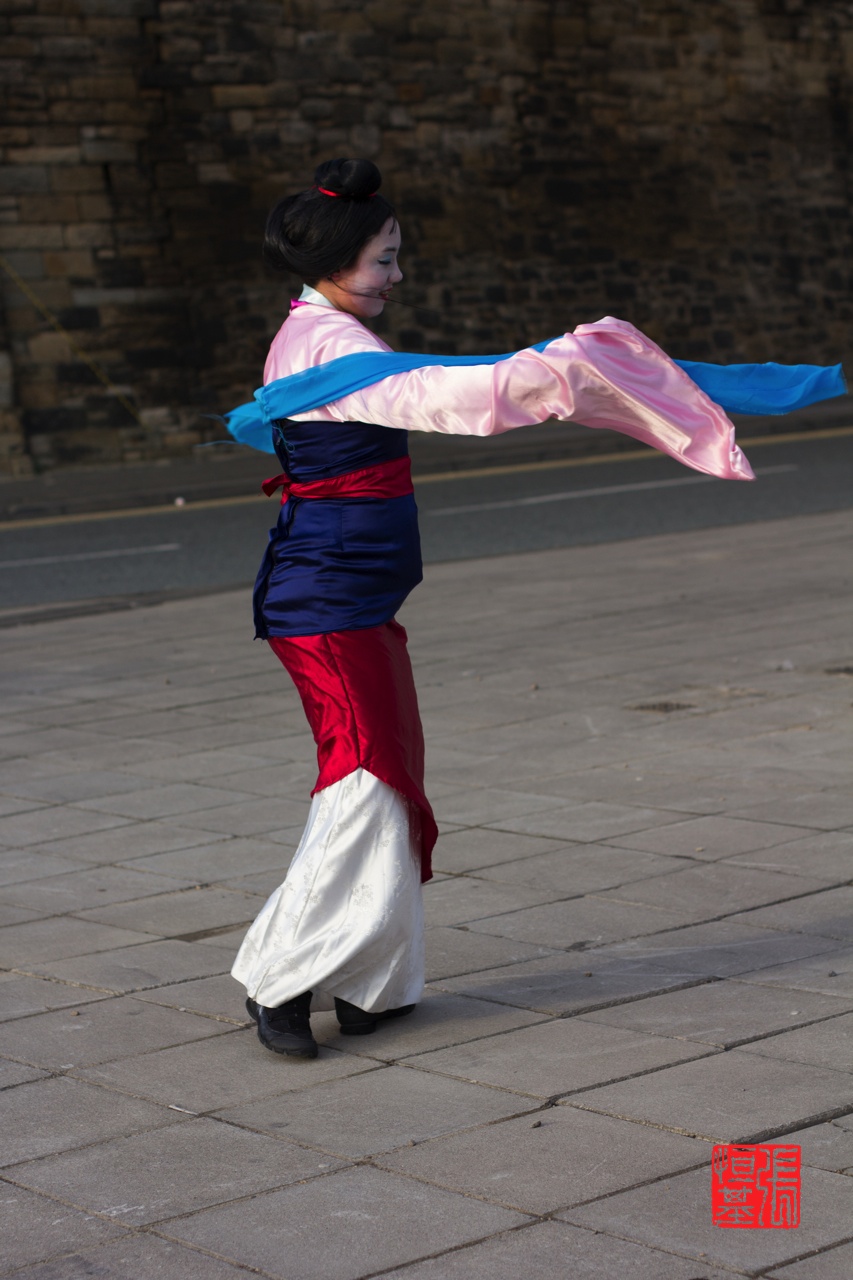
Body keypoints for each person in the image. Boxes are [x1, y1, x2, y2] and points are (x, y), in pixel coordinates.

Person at [229, 157, 843, 1059]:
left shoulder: (323, 330)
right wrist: (565, 366)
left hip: (351, 592)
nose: (397, 275)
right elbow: (457, 396)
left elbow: (443, 384)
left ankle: (368, 980)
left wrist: (567, 368)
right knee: (363, 777)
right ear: (332, 262)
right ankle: (280, 980)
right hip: (323, 598)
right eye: (383, 260)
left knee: (389, 776)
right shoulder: (333, 350)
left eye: (395, 256)